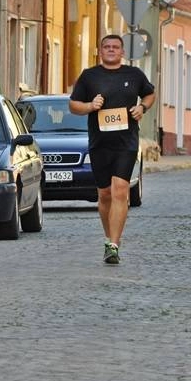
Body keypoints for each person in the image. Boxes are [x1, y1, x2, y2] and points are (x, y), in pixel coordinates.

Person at [69, 34, 156, 264]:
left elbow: (149, 93)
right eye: (106, 46)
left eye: (115, 47)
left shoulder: (134, 74)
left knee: (120, 191)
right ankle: (109, 238)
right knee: (105, 194)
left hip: (126, 143)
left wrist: (142, 107)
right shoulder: (89, 76)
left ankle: (114, 245)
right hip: (100, 144)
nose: (110, 50)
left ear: (122, 52)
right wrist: (90, 106)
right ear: (100, 51)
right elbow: (73, 105)